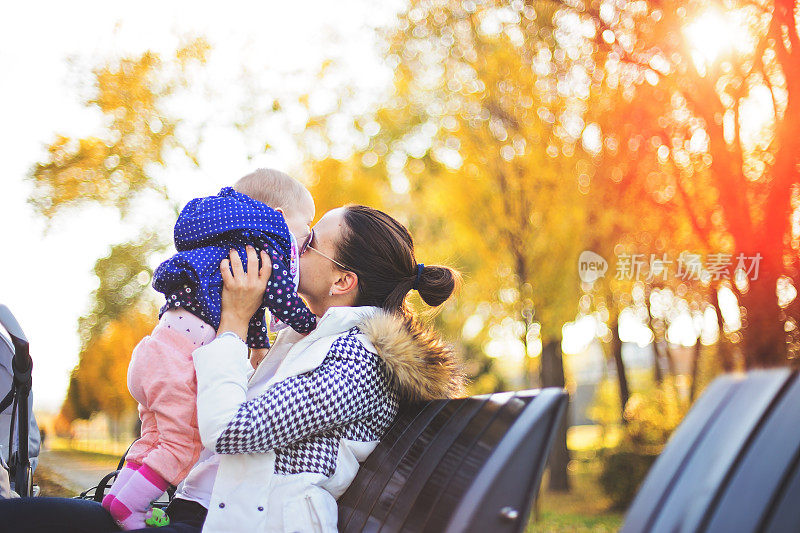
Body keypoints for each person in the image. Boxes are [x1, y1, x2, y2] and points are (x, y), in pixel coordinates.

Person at [0, 204, 464, 533]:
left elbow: (231, 429)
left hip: (243, 522)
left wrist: (235, 322)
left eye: (308, 244)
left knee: (23, 520)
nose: (291, 247)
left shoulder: (361, 362)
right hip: (213, 513)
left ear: (343, 280)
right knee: (22, 518)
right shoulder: (310, 339)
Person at [104, 169, 317, 529]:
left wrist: (258, 344)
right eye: (306, 228)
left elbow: (250, 312)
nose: (305, 241)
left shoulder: (222, 239)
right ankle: (130, 509)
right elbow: (280, 297)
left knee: (154, 436)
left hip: (155, 351)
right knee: (182, 444)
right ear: (280, 217)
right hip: (179, 366)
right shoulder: (268, 245)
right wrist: (308, 323)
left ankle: (117, 497)